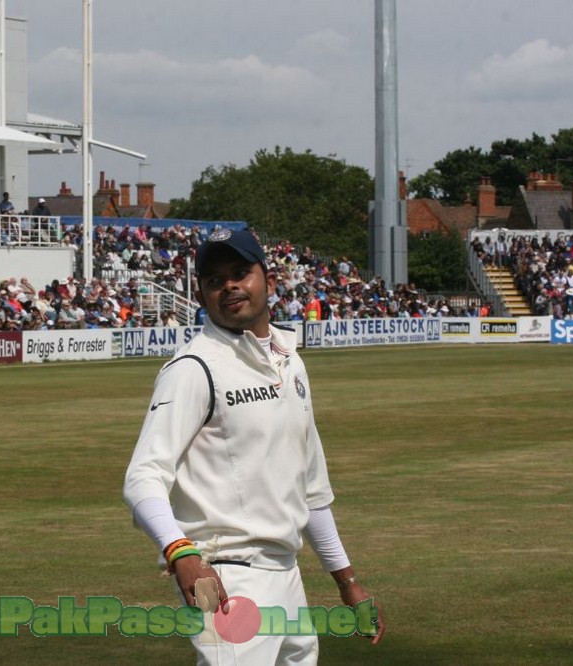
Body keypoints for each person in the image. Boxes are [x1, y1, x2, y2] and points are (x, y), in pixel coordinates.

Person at [123, 228, 384, 665]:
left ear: (269, 279)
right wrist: (180, 552)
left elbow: (311, 490)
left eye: (240, 273)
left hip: (286, 573)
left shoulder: (289, 362)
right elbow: (142, 478)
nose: (228, 286)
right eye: (213, 280)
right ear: (202, 294)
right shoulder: (193, 368)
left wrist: (346, 580)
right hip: (223, 574)